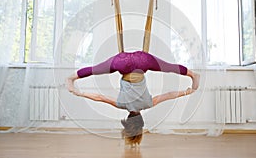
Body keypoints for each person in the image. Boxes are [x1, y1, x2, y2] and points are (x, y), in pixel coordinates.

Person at [67, 50, 200, 146]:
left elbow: (169, 95)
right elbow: (100, 97)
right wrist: (80, 93)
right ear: (127, 120)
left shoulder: (148, 104)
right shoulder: (121, 104)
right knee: (94, 70)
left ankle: (192, 75)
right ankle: (71, 78)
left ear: (141, 121)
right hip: (121, 63)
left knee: (168, 67)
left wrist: (186, 92)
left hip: (143, 61)